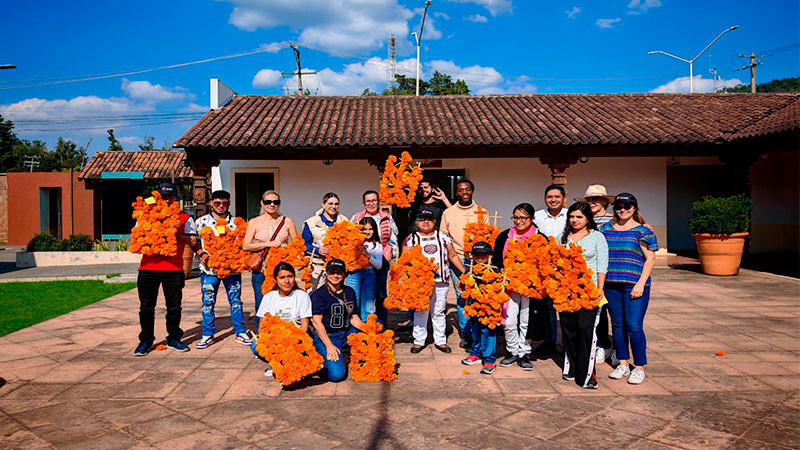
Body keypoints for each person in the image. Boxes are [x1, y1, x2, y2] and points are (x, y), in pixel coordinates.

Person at [134, 182, 197, 356]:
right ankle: (145, 340)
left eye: (170, 196)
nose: (167, 200)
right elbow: (137, 236)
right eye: (163, 197)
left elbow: (192, 240)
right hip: (148, 268)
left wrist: (175, 234)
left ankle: (174, 338)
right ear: (156, 198)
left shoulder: (184, 217)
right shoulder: (145, 215)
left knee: (174, 307)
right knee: (146, 307)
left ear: (176, 198)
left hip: (173, 269)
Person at [600, 193, 657, 385]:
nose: (622, 210)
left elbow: (650, 258)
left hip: (634, 285)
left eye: (627, 206)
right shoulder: (605, 229)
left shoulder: (642, 231)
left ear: (634, 208)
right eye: (618, 206)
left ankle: (639, 367)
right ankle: (623, 363)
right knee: (617, 324)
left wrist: (641, 283)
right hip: (611, 284)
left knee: (633, 326)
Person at [559, 202, 608, 389]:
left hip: (589, 291)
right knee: (569, 330)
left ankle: (586, 376)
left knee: (586, 330)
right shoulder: (561, 238)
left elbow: (602, 266)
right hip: (565, 292)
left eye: (579, 216)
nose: (575, 220)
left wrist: (600, 289)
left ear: (588, 218)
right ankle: (571, 368)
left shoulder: (597, 237)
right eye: (572, 216)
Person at [194, 190, 252, 349]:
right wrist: (201, 253)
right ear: (211, 203)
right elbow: (194, 241)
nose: (221, 206)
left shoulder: (238, 223)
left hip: (232, 271)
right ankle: (207, 334)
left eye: (224, 203)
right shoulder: (201, 222)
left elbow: (244, 244)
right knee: (207, 302)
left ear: (229, 203)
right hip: (209, 271)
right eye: (217, 203)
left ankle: (240, 332)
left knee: (235, 301)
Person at [406, 208, 467, 354]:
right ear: (417, 222)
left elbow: (452, 256)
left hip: (441, 281)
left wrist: (465, 273)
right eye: (422, 219)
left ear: (434, 221)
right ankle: (419, 341)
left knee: (439, 311)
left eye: (428, 219)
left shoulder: (443, 237)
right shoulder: (411, 239)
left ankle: (440, 340)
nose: (425, 222)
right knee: (421, 311)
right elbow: (405, 261)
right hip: (420, 283)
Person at [492, 203, 539, 371]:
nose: (519, 221)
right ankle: (512, 351)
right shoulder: (504, 236)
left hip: (530, 286)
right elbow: (496, 259)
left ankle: (524, 352)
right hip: (509, 286)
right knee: (509, 320)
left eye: (523, 218)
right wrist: (502, 270)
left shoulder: (540, 237)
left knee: (526, 320)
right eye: (516, 217)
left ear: (532, 219)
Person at [242, 190, 297, 330]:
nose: (271, 205)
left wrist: (288, 253)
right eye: (268, 202)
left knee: (284, 301)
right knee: (262, 302)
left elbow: (297, 245)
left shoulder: (287, 221)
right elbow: (246, 246)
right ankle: (263, 335)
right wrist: (268, 244)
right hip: (262, 268)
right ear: (262, 203)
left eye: (275, 202)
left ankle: (284, 331)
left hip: (282, 269)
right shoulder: (254, 222)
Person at [250, 262, 312, 377]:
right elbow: (262, 326)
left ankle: (293, 362)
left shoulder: (302, 296)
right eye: (282, 277)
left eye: (290, 276)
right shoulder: (269, 297)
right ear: (275, 280)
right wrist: (266, 341)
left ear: (294, 277)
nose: (287, 281)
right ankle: (275, 363)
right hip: (275, 339)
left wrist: (294, 341)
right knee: (255, 345)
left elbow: (304, 326)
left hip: (295, 338)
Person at [439, 178, 480, 348]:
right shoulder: (448, 213)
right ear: (456, 193)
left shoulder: (481, 212)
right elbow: (443, 236)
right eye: (461, 190)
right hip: (457, 259)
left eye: (468, 190)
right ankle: (466, 331)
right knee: (462, 295)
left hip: (478, 261)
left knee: (478, 294)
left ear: (472, 191)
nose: (464, 193)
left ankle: (480, 327)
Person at [311, 258, 364, 382]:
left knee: (377, 326)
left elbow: (354, 318)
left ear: (344, 273)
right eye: (332, 272)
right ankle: (324, 358)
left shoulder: (349, 292)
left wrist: (370, 331)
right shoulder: (319, 294)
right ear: (326, 273)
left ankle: (343, 353)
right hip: (328, 336)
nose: (335, 275)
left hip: (346, 333)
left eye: (339, 272)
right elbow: (317, 322)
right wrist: (329, 345)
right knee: (336, 376)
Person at [351, 190, 398, 323]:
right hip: (361, 262)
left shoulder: (387, 217)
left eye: (374, 200)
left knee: (381, 294)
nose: (371, 203)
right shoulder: (357, 217)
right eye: (368, 201)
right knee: (363, 294)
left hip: (381, 258)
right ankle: (360, 323)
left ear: (378, 201)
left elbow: (393, 238)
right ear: (363, 203)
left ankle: (381, 324)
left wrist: (390, 256)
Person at [532, 184, 568, 356]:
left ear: (563, 198)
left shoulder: (571, 216)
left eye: (557, 197)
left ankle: (568, 341)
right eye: (550, 197)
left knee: (567, 305)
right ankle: (549, 341)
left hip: (566, 268)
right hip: (544, 268)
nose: (553, 200)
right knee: (547, 308)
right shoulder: (537, 217)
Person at [460, 241, 499, 375]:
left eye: (484, 254)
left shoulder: (494, 270)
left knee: (487, 332)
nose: (480, 257)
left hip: (488, 308)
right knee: (475, 330)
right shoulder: (469, 268)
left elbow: (500, 288)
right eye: (477, 254)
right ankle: (475, 353)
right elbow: (463, 285)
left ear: (489, 255)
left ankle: (489, 359)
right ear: (472, 256)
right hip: (473, 306)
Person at [302, 193, 348, 290]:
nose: (333, 207)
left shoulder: (345, 222)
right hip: (317, 266)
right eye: (330, 203)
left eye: (336, 204)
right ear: (323, 204)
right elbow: (304, 245)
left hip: (337, 269)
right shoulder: (311, 223)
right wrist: (317, 250)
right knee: (315, 296)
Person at [345, 217, 384, 321]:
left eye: (370, 229)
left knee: (368, 305)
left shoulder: (377, 246)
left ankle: (366, 328)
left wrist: (368, 256)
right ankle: (352, 328)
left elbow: (379, 265)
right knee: (352, 302)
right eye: (364, 229)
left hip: (369, 275)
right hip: (354, 274)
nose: (367, 232)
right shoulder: (353, 242)